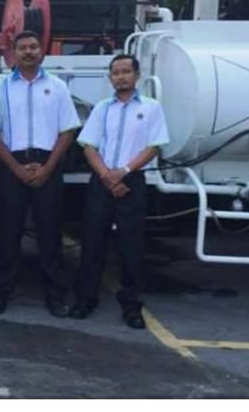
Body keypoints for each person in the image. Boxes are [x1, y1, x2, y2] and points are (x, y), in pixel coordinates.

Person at [0, 31, 81, 318]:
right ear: (13, 53)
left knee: (50, 233)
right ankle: (0, 293)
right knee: (7, 233)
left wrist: (48, 167)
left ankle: (55, 295)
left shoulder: (58, 87)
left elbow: (68, 131)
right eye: (23, 47)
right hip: (10, 165)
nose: (28, 52)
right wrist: (16, 169)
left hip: (48, 165)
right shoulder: (0, 89)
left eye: (33, 47)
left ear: (42, 51)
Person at [72, 54, 170, 329]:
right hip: (102, 181)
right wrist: (107, 176)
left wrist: (124, 172)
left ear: (136, 75)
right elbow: (88, 145)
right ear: (110, 77)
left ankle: (132, 306)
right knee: (93, 243)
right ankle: (85, 299)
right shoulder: (102, 109)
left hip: (132, 182)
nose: (121, 77)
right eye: (116, 73)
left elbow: (154, 146)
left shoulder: (151, 108)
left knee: (131, 246)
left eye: (126, 71)